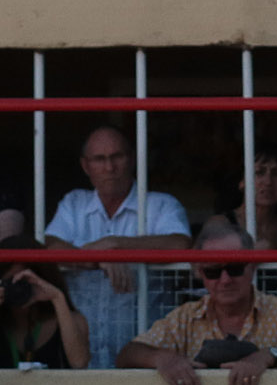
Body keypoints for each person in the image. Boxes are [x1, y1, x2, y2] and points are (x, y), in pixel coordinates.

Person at [116, 223, 277, 385]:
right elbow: (128, 354)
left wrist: (268, 356)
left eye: (235, 268)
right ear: (200, 273)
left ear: (253, 266)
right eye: (213, 270)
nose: (225, 279)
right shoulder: (185, 316)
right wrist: (163, 359)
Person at [43, 125, 193, 369]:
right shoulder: (74, 203)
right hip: (81, 355)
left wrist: (115, 246)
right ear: (85, 165)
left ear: (132, 159)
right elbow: (50, 247)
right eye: (99, 159)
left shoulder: (160, 205)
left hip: (144, 355)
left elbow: (180, 244)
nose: (109, 168)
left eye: (117, 157)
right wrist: (97, 260)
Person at [0, 238, 89, 369]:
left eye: (24, 281)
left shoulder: (73, 320)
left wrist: (57, 298)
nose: (17, 288)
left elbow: (79, 363)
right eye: (10, 282)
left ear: (44, 278)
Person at [205, 145, 277, 250]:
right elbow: (200, 261)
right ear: (242, 182)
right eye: (259, 173)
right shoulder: (221, 223)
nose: (268, 182)